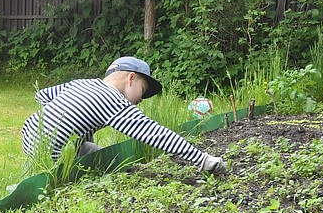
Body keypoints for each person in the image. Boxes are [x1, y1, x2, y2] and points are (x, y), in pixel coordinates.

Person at [20, 56, 227, 175]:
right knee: (102, 161)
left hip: (29, 137)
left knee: (97, 152)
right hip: (52, 157)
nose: (141, 100)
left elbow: (42, 95)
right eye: (143, 90)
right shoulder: (113, 100)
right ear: (130, 78)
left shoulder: (83, 83)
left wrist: (65, 124)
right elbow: (155, 134)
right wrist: (202, 159)